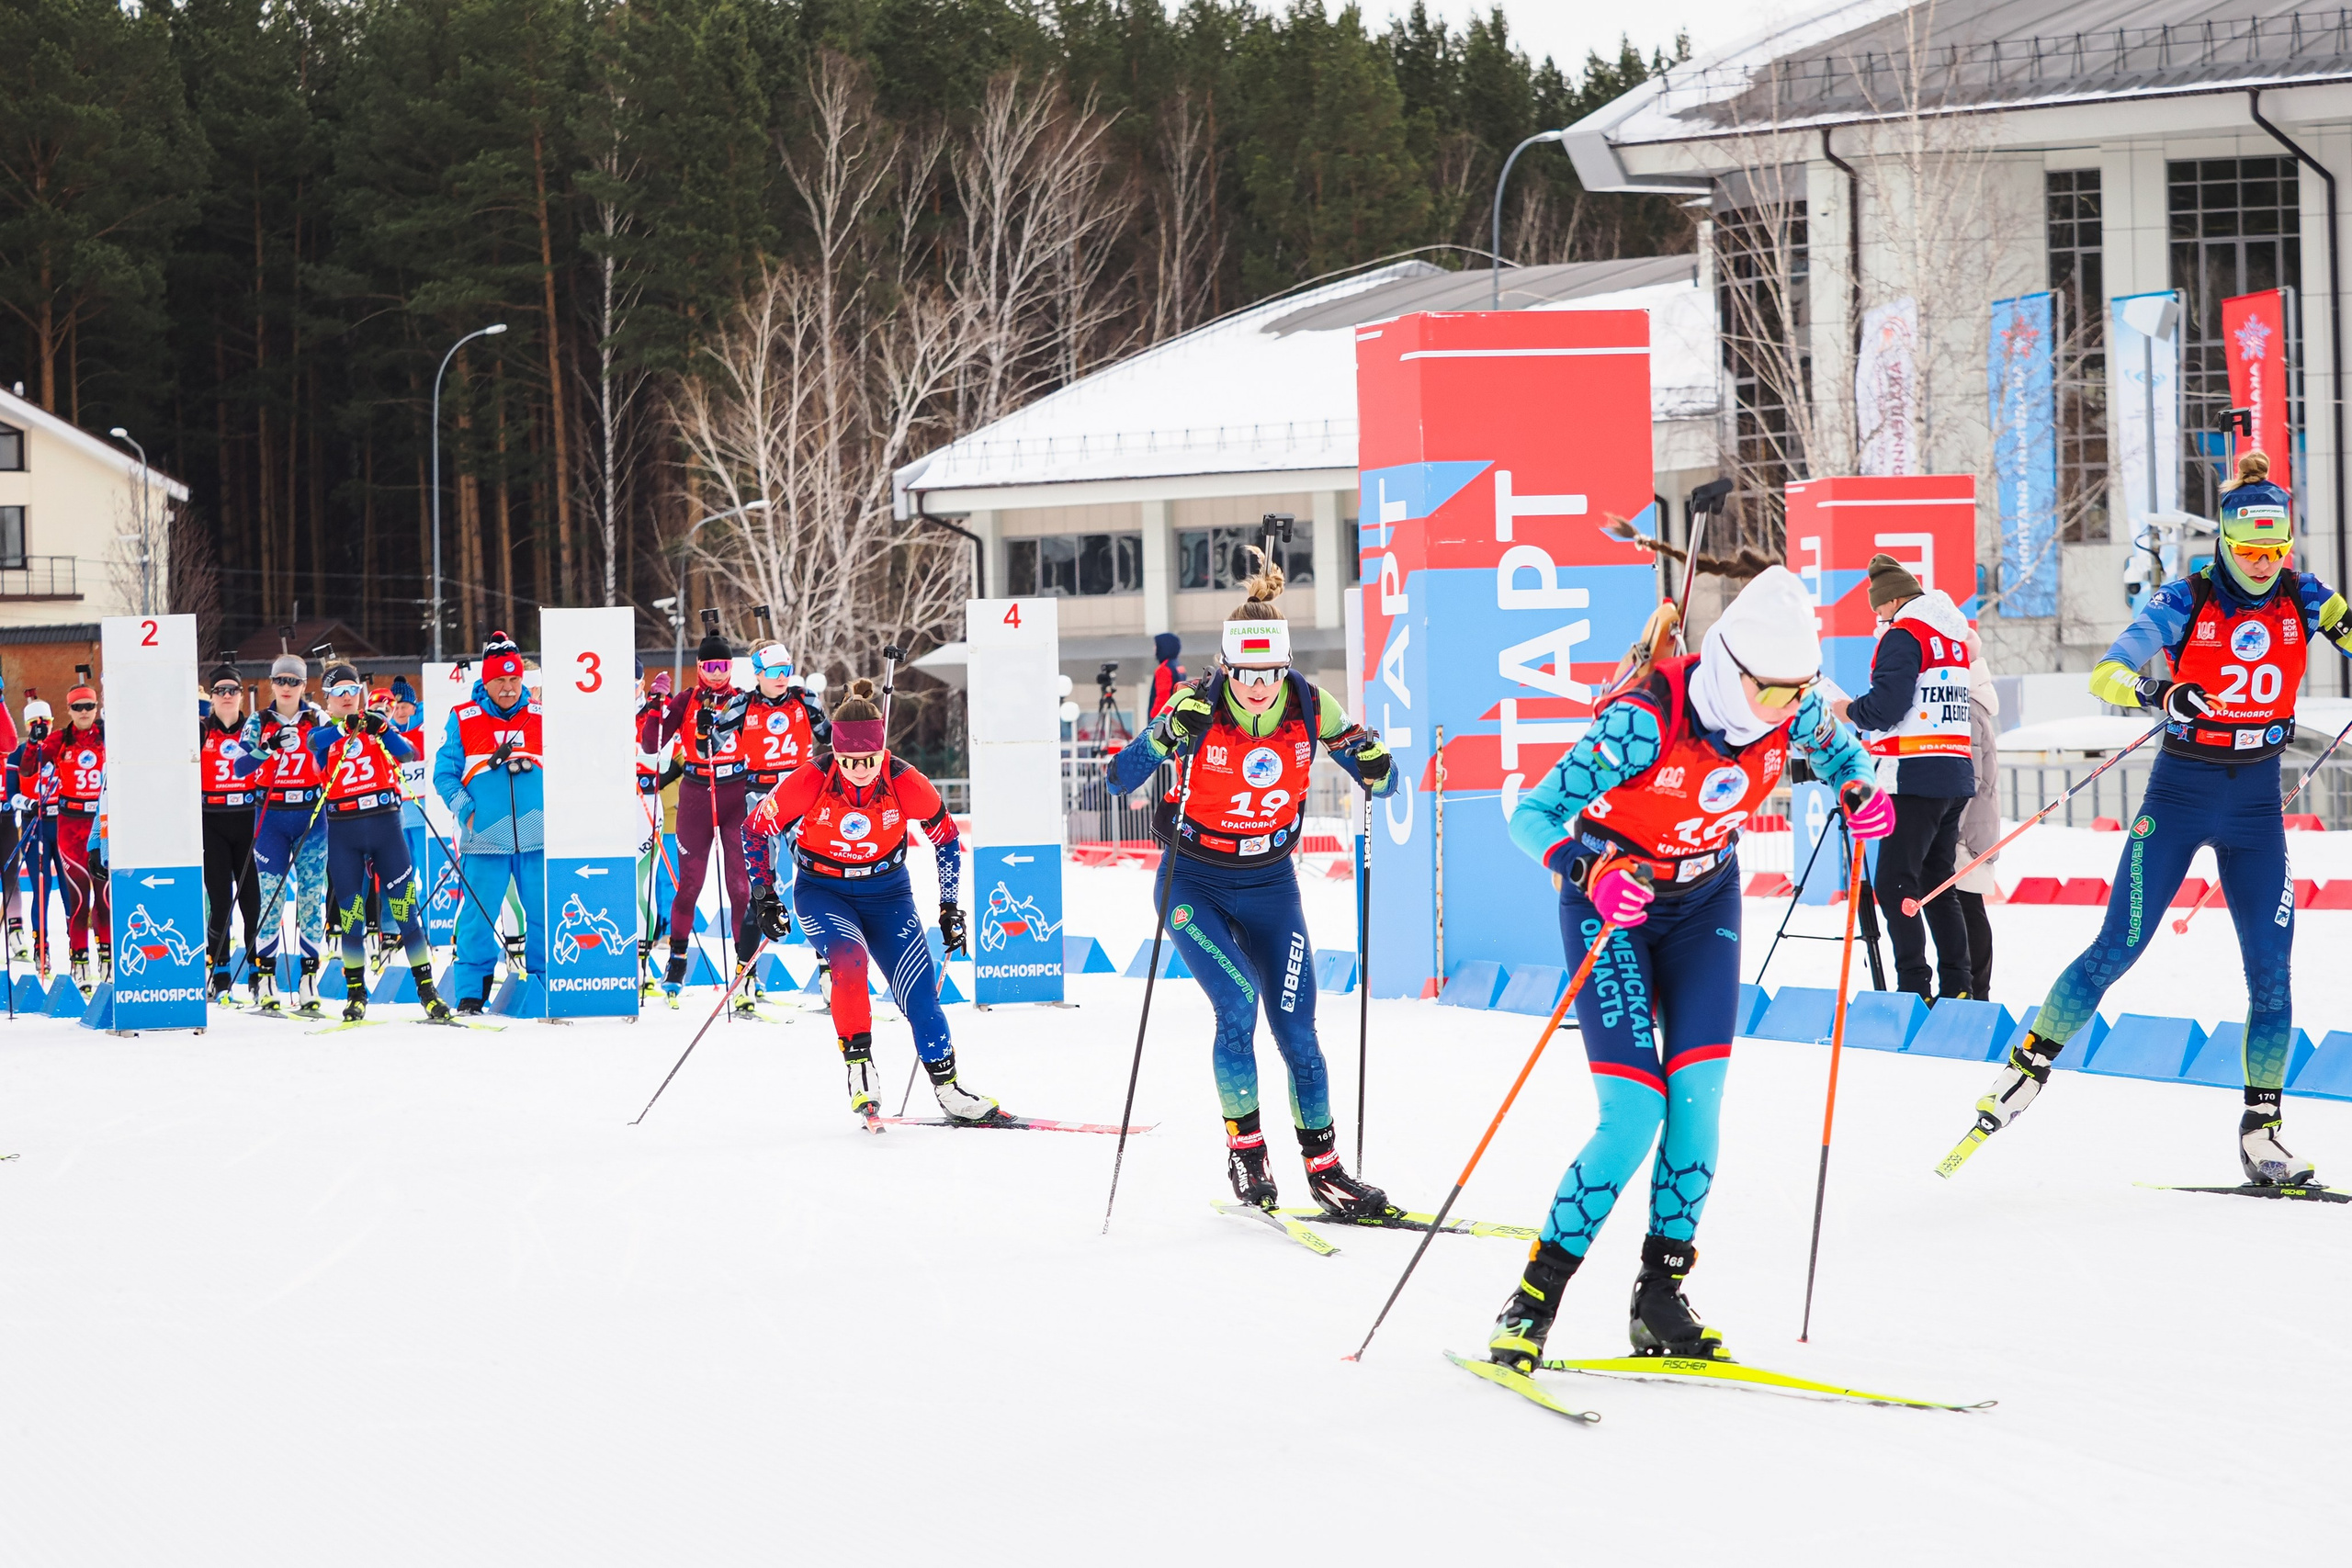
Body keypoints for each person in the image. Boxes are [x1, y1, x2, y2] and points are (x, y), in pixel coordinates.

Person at [1485, 568, 1891, 1371]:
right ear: (1731, 670)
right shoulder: (1643, 724)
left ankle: (1659, 1297)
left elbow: (1842, 747)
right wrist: (1586, 869)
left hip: (1706, 901)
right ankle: (1533, 1298)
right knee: (1634, 1112)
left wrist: (1857, 785)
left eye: (1798, 691)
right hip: (1615, 904)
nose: (1786, 708)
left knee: (1699, 1104)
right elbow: (1530, 815)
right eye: (1772, 693)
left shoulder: (1796, 702)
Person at [1967, 451, 2349, 1184]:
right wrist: (2161, 693)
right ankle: (2026, 1066)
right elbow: (2106, 670)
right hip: (2180, 794)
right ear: (2226, 545)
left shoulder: (2306, 596)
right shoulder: (2189, 597)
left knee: (2273, 976)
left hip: (2257, 805)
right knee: (2118, 946)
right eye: (2252, 550)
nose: (2266, 563)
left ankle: (2262, 1130)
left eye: (2277, 549)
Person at [1104, 554, 1397, 1218]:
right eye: (1246, 674)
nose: (1260, 688)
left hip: (1270, 884)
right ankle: (1249, 1155)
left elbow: (1384, 775)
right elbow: (1120, 779)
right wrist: (1158, 740)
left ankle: (1326, 1171)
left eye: (1271, 673)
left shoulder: (1309, 703)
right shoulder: (1197, 704)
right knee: (1237, 1006)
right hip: (1195, 883)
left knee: (1299, 1035)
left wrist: (1376, 765)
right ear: (1227, 667)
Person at [741, 677, 997, 1125]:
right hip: (824, 891)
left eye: (870, 760)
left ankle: (949, 1088)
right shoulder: (812, 778)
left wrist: (949, 907)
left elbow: (947, 838)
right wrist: (764, 896)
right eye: (849, 761)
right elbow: (754, 829)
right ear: (836, 754)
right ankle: (860, 1068)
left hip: (888, 893)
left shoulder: (905, 780)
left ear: (883, 752)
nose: (860, 769)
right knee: (849, 957)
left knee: (919, 990)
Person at [1828, 554, 1975, 1000]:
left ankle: (1914, 991)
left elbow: (1887, 708)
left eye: (1877, 608)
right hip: (1952, 772)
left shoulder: (1903, 635)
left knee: (1896, 885)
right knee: (1937, 885)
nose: (1876, 617)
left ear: (1893, 600)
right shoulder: (1952, 637)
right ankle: (1959, 988)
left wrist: (1848, 711)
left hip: (1913, 775)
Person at [310, 661, 451, 1022]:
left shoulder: (374, 723)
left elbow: (406, 753)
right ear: (327, 699)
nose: (346, 697)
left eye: (351, 690)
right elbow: (315, 743)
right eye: (338, 692)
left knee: (405, 910)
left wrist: (382, 726)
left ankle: (427, 991)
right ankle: (356, 992)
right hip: (344, 830)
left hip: (385, 824)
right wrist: (345, 726)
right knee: (352, 916)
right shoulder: (325, 730)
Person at [432, 632, 547, 1013]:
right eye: (501, 681)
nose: (510, 688)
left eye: (515, 681)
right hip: (484, 840)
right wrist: (466, 809)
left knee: (544, 915)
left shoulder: (542, 716)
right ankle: (470, 994)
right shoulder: (463, 718)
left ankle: (545, 985)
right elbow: (444, 775)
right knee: (477, 920)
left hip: (537, 837)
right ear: (486, 681)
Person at [639, 629, 756, 1000]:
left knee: (740, 886)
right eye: (711, 666)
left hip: (736, 792)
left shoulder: (742, 700)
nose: (718, 673)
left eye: (724, 666)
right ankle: (677, 960)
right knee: (690, 884)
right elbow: (651, 743)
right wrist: (658, 703)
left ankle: (745, 971)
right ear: (700, 667)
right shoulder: (687, 700)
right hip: (695, 793)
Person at [235, 654, 334, 1013]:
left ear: (304, 686)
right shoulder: (259, 721)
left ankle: (309, 978)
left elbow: (333, 757)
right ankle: (265, 978)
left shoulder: (318, 717)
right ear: (271, 684)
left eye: (294, 682)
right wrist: (270, 748)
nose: (287, 688)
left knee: (311, 896)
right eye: (281, 681)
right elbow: (240, 766)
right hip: (271, 815)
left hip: (310, 815)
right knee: (271, 899)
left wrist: (313, 748)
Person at [738, 642, 829, 1011]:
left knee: (818, 877)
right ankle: (747, 977)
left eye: (786, 670)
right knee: (762, 886)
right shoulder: (745, 704)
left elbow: (829, 735)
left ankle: (829, 974)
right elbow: (711, 739)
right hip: (760, 798)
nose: (781, 678)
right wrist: (704, 728)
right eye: (773, 672)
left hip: (800, 793)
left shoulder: (804, 699)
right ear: (757, 673)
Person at [35, 674, 110, 992]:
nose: (84, 712)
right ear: (69, 710)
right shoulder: (60, 739)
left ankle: (107, 962)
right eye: (78, 707)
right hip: (70, 825)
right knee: (79, 898)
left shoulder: (108, 735)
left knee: (105, 898)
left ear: (97, 707)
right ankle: (80, 962)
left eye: (89, 706)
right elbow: (28, 768)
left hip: (102, 823)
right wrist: (36, 743)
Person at [198, 661, 263, 1001]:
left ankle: (256, 970)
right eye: (220, 690)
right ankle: (219, 969)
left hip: (248, 821)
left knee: (252, 900)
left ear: (241, 694)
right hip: (213, 822)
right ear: (211, 696)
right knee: (220, 900)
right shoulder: (201, 730)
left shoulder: (253, 729)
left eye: (232, 690)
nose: (227, 696)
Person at [1951, 636, 2001, 1001]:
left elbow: (1969, 775)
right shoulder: (1975, 700)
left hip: (1966, 828)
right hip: (1975, 823)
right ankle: (1974, 991)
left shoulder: (1965, 707)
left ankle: (1974, 992)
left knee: (1966, 906)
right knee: (1968, 906)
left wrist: (1949, 823)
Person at [1148, 632, 1184, 717]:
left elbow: (1162, 698)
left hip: (1163, 717)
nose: (1154, 648)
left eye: (1156, 645)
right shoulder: (1178, 666)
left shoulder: (1164, 669)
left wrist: (1155, 719)